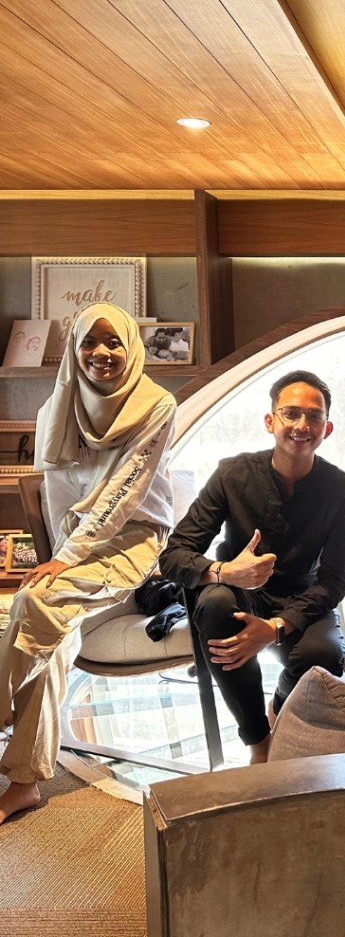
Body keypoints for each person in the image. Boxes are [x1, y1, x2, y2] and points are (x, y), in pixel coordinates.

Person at [0, 303, 176, 823]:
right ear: (74, 350)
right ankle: (25, 782)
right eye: (89, 342)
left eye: (114, 341)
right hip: (73, 544)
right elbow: (58, 491)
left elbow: (124, 493)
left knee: (36, 602)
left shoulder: (155, 404)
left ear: (132, 346)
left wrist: (67, 559)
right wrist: (61, 555)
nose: (101, 352)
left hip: (132, 540)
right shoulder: (57, 406)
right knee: (50, 635)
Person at [159, 370, 345, 764]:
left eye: (314, 416)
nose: (302, 425)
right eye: (291, 413)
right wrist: (224, 572)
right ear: (270, 421)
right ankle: (257, 739)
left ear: (327, 428)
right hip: (237, 591)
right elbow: (174, 554)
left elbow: (335, 579)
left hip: (302, 594)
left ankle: (279, 704)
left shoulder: (341, 489)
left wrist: (277, 627)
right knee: (215, 604)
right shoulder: (232, 474)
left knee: (324, 652)